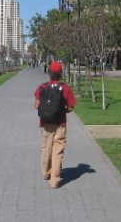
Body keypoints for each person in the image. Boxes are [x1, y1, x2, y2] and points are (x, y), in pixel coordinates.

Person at [33, 61, 76, 189]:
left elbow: (36, 105)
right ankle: (54, 180)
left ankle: (46, 172)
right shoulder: (66, 88)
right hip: (60, 123)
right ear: (60, 74)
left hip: (46, 123)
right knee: (57, 151)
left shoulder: (42, 87)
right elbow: (71, 107)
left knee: (46, 148)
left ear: (49, 73)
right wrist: (62, 110)